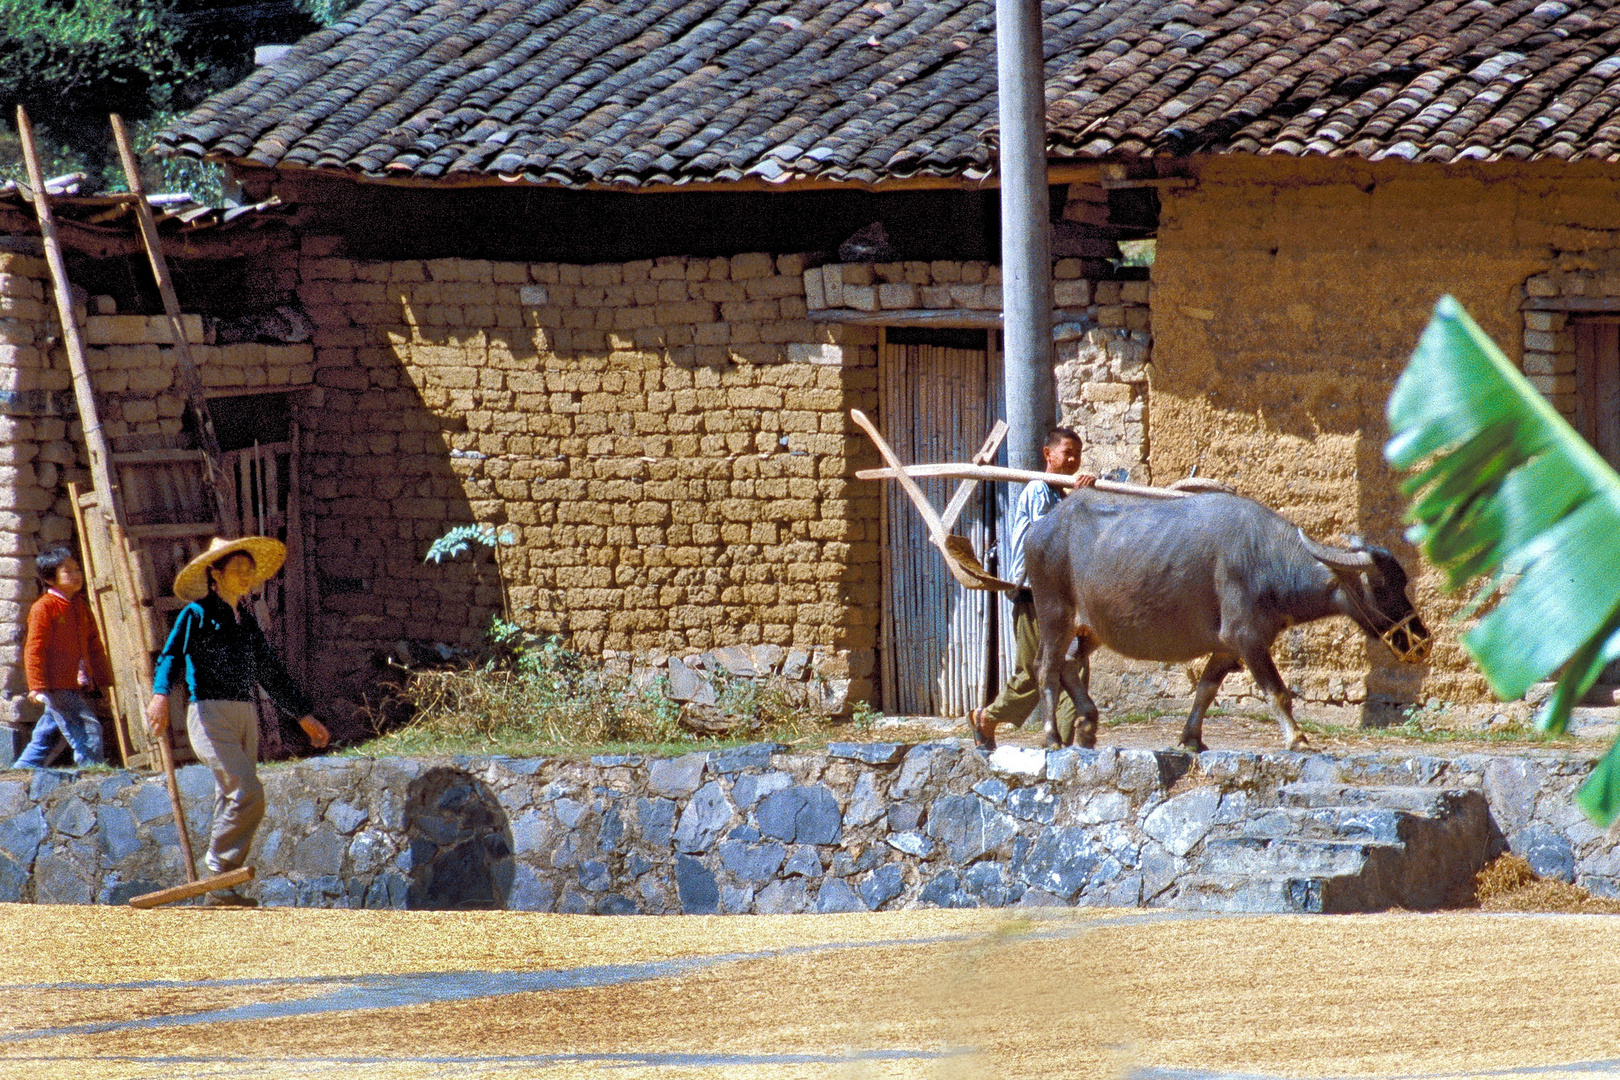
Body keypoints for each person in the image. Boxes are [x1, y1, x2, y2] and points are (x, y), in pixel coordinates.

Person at [144, 536, 329, 907]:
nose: (246, 575)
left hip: (245, 714)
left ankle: (222, 889)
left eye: (249, 570)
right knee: (247, 792)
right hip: (208, 713)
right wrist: (160, 696)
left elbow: (271, 673)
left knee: (229, 797)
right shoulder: (195, 614)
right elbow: (170, 657)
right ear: (215, 573)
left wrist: (303, 715)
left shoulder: (246, 622)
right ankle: (218, 869)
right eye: (237, 569)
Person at [970, 428, 1096, 750]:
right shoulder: (1038, 490)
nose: (1072, 460)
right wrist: (1080, 501)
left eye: (1077, 455)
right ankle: (987, 719)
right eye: (1067, 452)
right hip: (1032, 594)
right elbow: (1048, 538)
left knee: (1072, 666)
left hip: (1060, 597)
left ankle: (1063, 744)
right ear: (1048, 455)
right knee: (1032, 671)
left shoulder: (1062, 497)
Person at [16, 546, 113, 768]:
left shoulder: (80, 606)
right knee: (88, 730)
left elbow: (94, 645)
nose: (76, 575)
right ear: (50, 578)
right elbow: (34, 648)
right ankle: (93, 776)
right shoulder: (44, 608)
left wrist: (104, 681)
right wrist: (36, 686)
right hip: (56, 685)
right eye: (68, 571)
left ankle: (21, 774)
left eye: (77, 569)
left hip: (76, 683)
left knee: (49, 737)